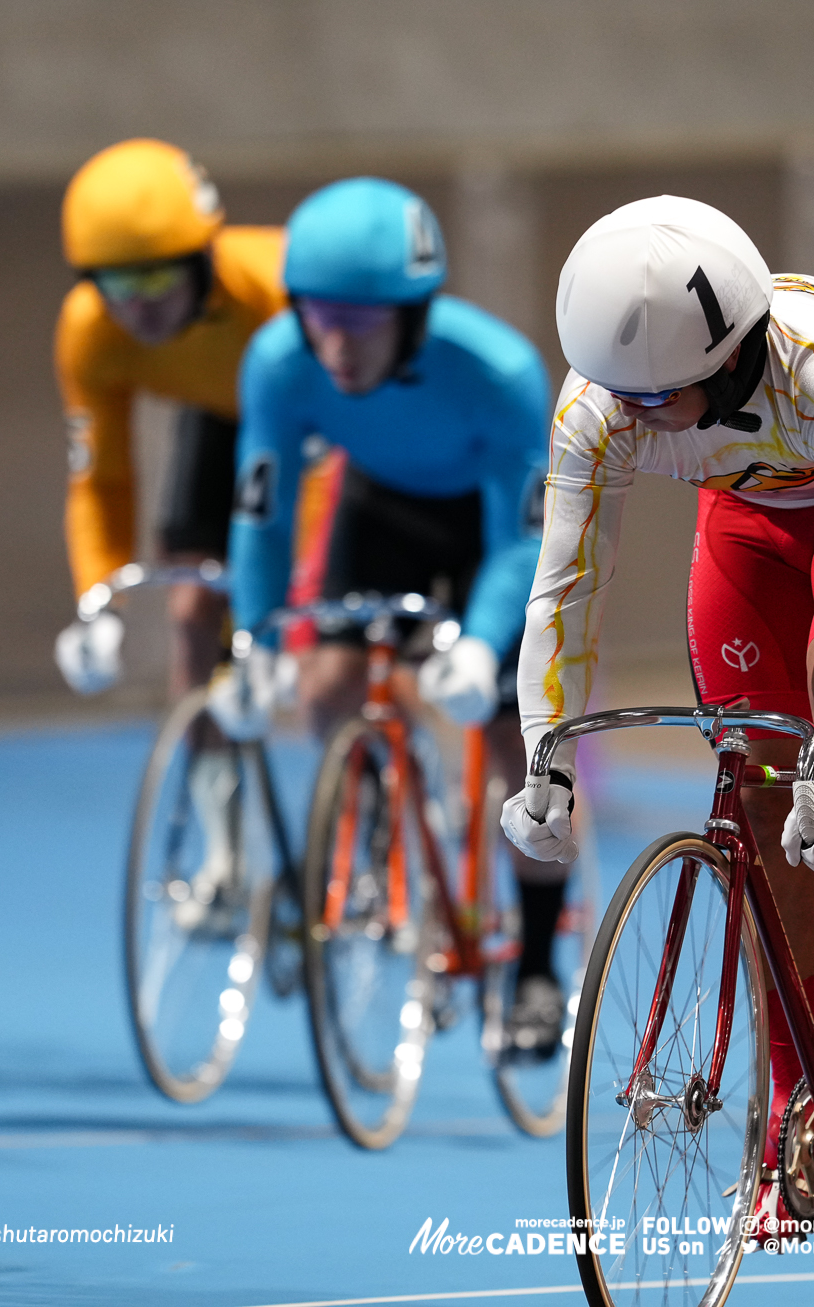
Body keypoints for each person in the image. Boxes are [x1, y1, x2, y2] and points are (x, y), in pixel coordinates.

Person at [503, 196, 814, 1240]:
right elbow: (564, 590)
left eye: (654, 396)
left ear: (725, 356)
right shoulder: (604, 402)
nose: (627, 414)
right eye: (616, 392)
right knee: (756, 781)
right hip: (748, 505)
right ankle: (790, 1104)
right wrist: (545, 758)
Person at [220, 177, 571, 1055]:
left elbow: (523, 539)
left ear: (414, 314)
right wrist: (256, 636)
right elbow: (259, 514)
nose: (336, 346)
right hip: (380, 504)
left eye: (363, 322)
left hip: (490, 527)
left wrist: (483, 643)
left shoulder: (498, 372)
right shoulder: (276, 360)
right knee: (329, 680)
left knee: (518, 738)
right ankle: (373, 809)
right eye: (320, 317)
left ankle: (534, 964)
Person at [50, 138, 286, 700]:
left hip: (325, 431)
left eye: (156, 280)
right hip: (220, 415)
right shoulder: (89, 331)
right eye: (117, 285)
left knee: (335, 644)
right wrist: (97, 605)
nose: (138, 308)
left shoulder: (271, 294)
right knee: (191, 610)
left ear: (203, 261)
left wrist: (284, 627)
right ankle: (209, 778)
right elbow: (100, 480)